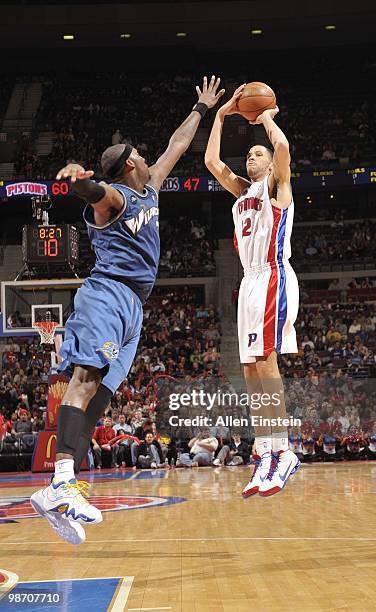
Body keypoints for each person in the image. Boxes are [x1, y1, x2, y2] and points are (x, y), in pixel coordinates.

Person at [30, 75, 225, 545]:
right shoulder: (114, 198)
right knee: (83, 380)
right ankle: (61, 481)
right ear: (130, 163)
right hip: (107, 294)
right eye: (138, 152)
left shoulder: (151, 186)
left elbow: (178, 145)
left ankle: (57, 488)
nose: (146, 154)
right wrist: (79, 180)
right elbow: (93, 195)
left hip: (134, 307)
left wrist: (201, 108)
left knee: (100, 398)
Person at [205, 86, 300, 498]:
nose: (251, 157)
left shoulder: (278, 188)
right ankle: (265, 450)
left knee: (265, 363)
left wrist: (264, 117)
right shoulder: (243, 193)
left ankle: (283, 450)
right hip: (248, 282)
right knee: (249, 371)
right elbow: (212, 161)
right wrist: (222, 116)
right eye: (249, 155)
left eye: (256, 154)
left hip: (273, 276)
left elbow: (283, 147)